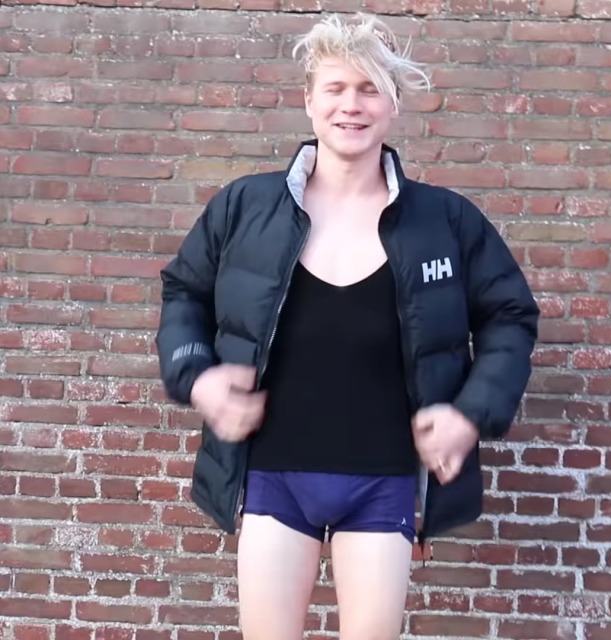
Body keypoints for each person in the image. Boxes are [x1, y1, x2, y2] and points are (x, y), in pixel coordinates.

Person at [155, 12, 539, 640]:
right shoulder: (245, 207)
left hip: (385, 479)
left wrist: (470, 414)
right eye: (335, 88)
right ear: (309, 100)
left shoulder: (444, 221)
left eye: (369, 90)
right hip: (273, 476)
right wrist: (197, 377)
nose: (351, 105)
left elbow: (510, 316)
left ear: (393, 105)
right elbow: (184, 292)